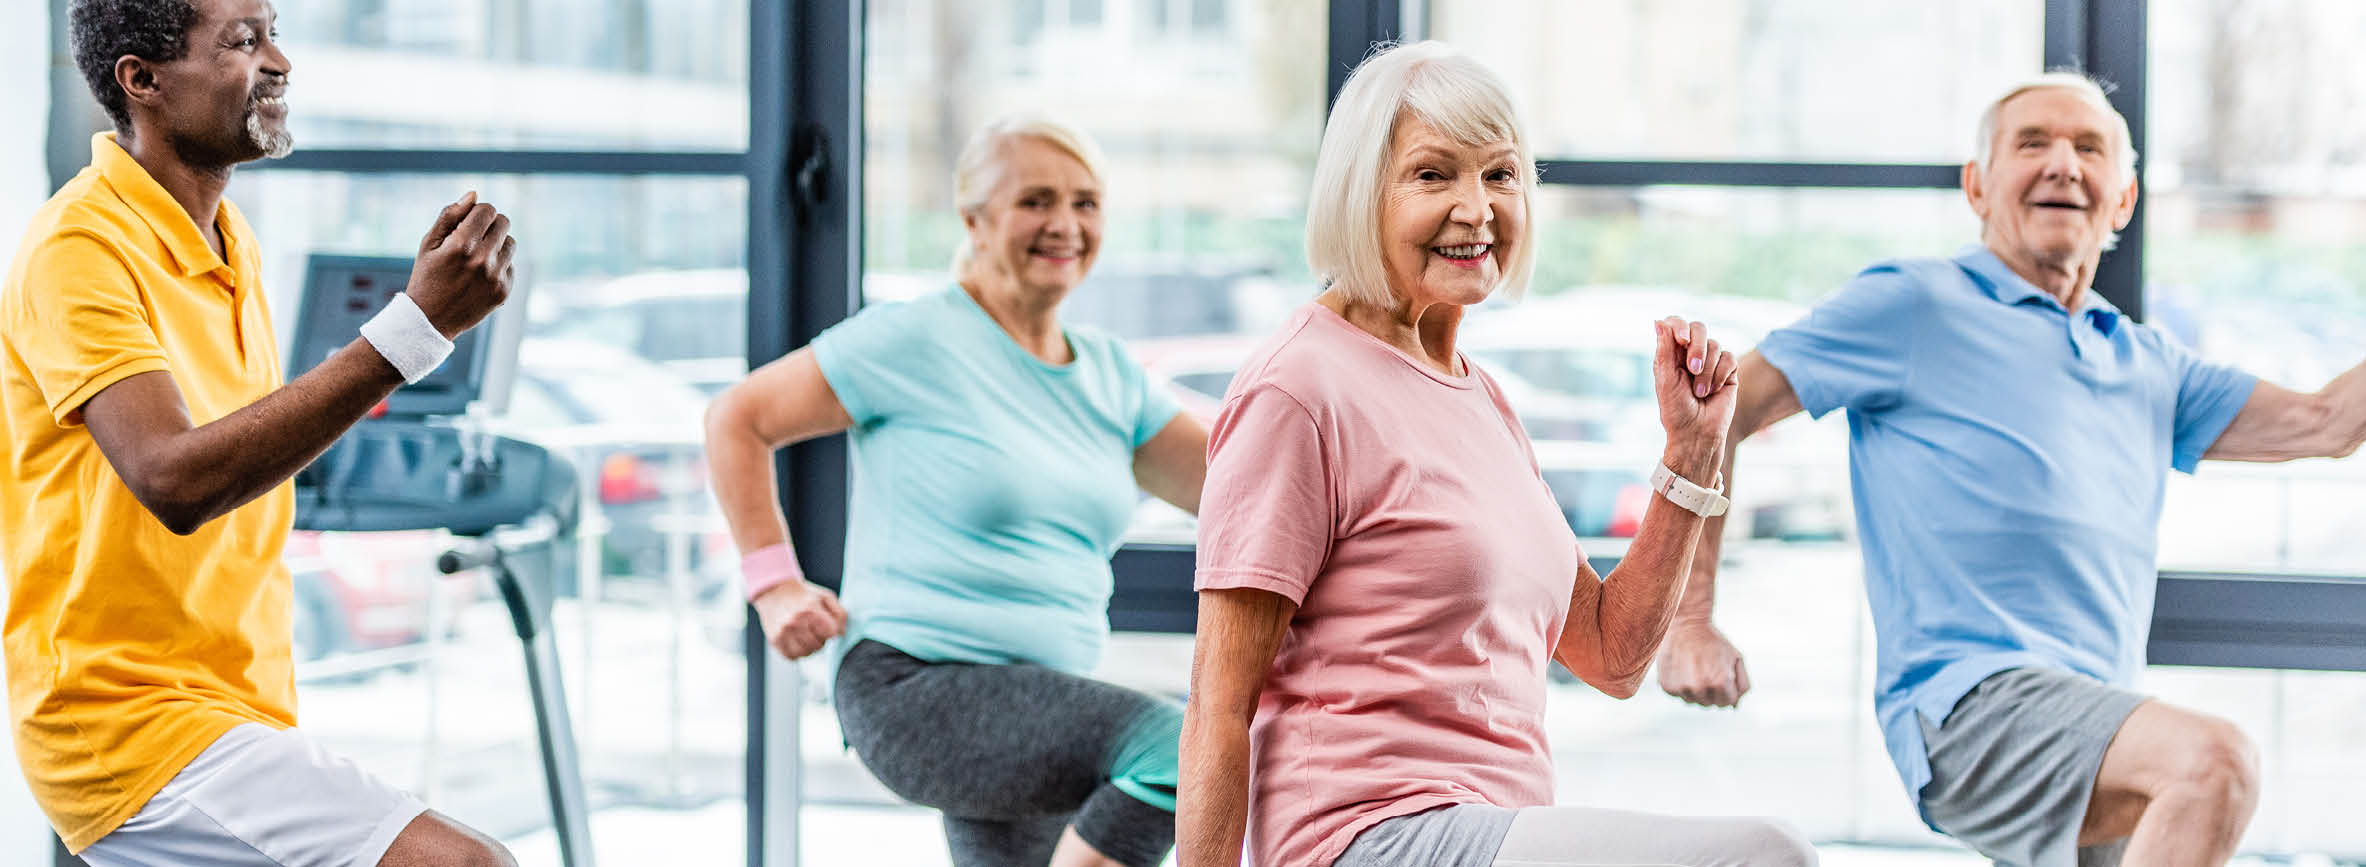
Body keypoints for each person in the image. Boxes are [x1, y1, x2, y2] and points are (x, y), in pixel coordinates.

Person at [1652, 71, 2366, 867]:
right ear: (1977, 186)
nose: (2063, 164)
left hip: (2096, 719)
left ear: (2124, 200)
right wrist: (1692, 621)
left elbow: (2328, 420)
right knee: (2215, 761)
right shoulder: (1914, 304)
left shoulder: (2147, 362)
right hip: (1967, 709)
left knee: (2187, 798)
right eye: (2031, 143)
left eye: (2089, 148)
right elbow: (1725, 411)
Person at [1178, 41, 1819, 867]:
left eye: (1501, 174)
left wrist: (1693, 453)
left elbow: (1612, 652)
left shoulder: (1482, 398)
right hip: (1359, 835)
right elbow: (1216, 707)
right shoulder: (1298, 388)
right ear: (1358, 192)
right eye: (1433, 174)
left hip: (1487, 824)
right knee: (1764, 855)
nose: (1477, 209)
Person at [1, 1, 525, 864]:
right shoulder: (77, 247)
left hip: (239, 705)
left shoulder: (227, 238)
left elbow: (243, 448)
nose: (280, 62)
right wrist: (412, 332)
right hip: (128, 724)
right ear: (143, 82)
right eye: (244, 42)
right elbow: (174, 478)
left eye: (274, 31)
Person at [702, 112, 1208, 867]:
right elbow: (737, 417)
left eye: (1085, 202)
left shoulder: (1109, 373)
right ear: (975, 218)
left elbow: (1243, 487)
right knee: (1183, 749)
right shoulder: (917, 338)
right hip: (915, 685)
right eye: (1037, 200)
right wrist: (774, 585)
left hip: (1041, 699)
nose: (1064, 224)